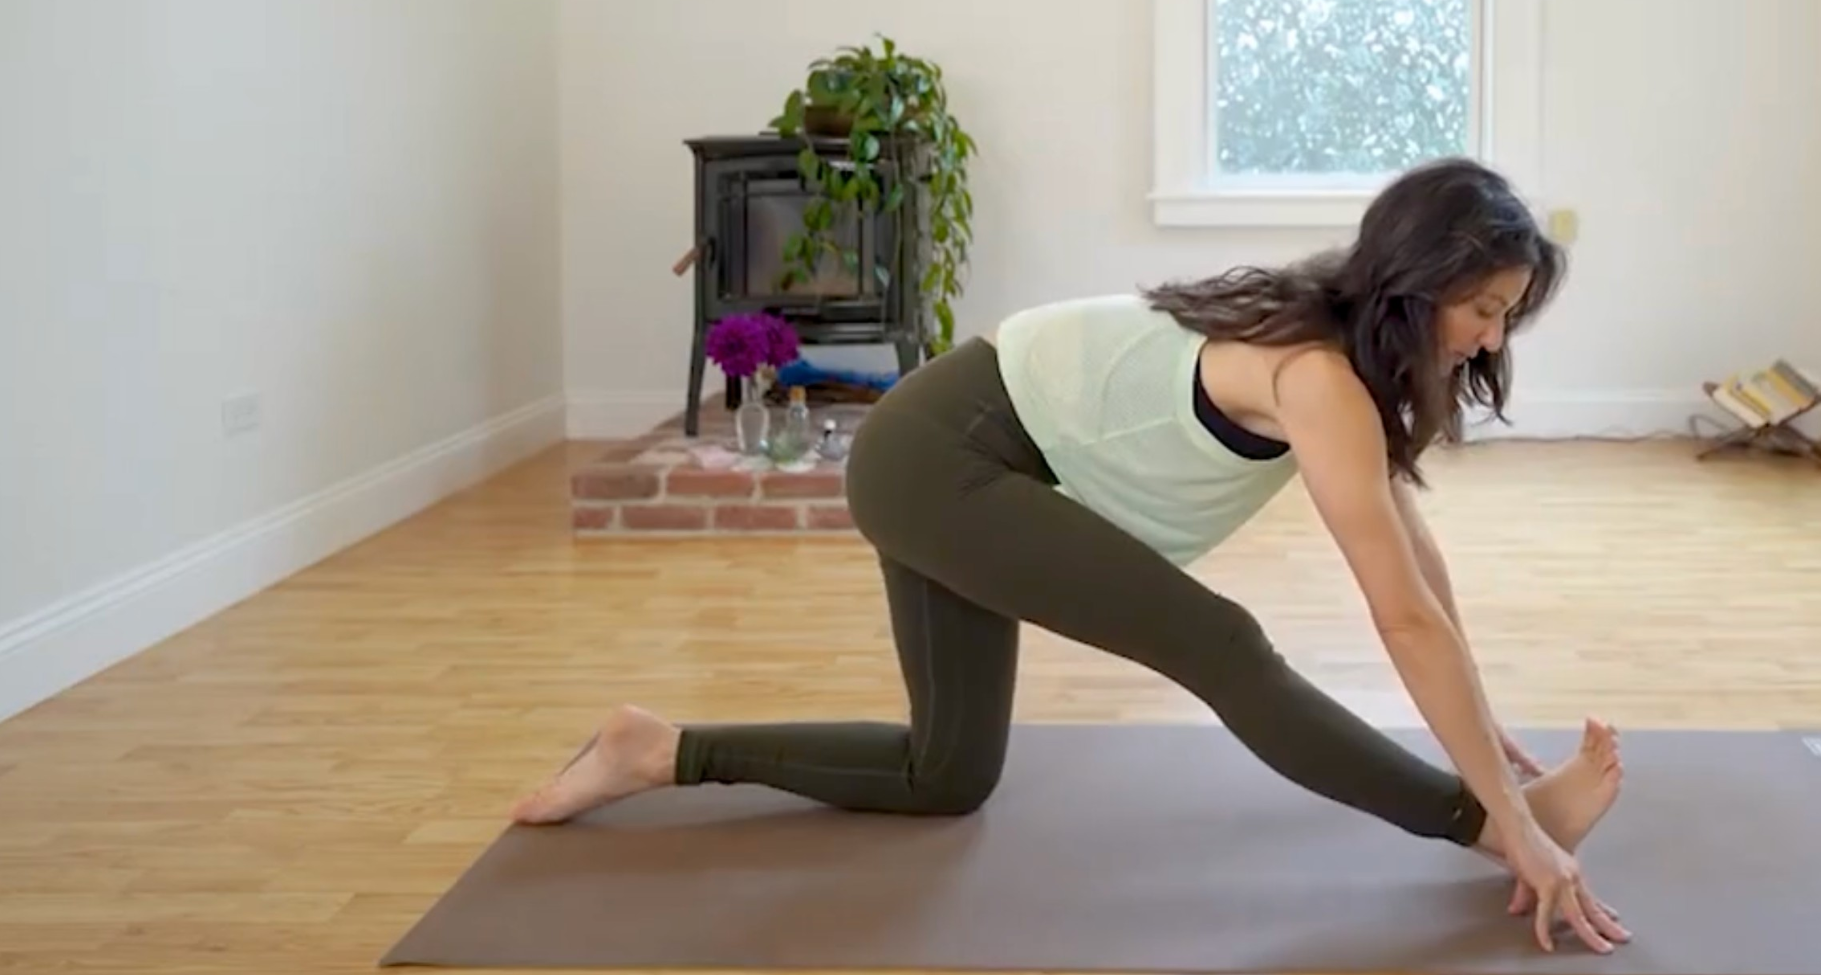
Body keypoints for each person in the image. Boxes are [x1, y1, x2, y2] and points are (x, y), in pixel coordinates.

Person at [511, 157, 1633, 955]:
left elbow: (1416, 572)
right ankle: (1480, 833)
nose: (1491, 339)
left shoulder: (1349, 355)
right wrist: (1505, 818)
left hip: (965, 451)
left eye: (1506, 317)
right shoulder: (1319, 373)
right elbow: (1399, 617)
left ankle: (655, 749)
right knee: (1221, 644)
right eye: (1483, 309)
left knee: (946, 777)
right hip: (942, 456)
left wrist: (1489, 732)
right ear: (1416, 277)